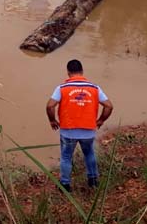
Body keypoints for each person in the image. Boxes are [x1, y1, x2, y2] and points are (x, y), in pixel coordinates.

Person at [46, 59, 113, 192]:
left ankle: (65, 184)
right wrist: (100, 120)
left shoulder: (62, 88)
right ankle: (93, 180)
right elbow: (109, 106)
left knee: (66, 157)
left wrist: (52, 120)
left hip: (68, 130)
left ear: (68, 73)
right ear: (82, 71)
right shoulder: (94, 88)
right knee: (89, 153)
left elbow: (50, 106)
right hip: (88, 130)